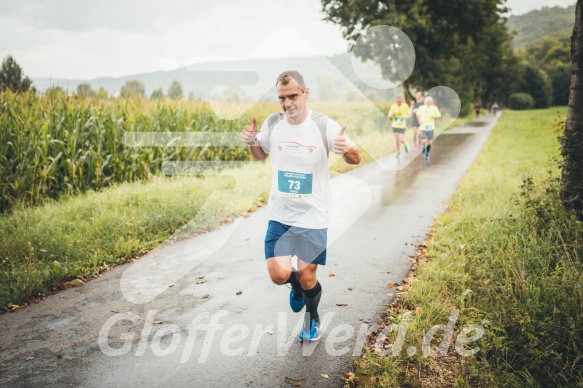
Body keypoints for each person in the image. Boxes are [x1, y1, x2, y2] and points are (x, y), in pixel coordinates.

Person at [240, 70, 361, 342]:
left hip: (312, 217)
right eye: (282, 98)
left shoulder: (324, 125)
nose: (287, 103)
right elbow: (261, 154)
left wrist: (344, 150)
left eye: (293, 95)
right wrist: (251, 142)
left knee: (308, 276)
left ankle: (312, 318)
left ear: (306, 93)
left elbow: (356, 158)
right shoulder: (274, 123)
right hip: (280, 215)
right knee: (278, 275)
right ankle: (293, 285)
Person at [416, 96, 441, 161]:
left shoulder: (434, 108)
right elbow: (417, 114)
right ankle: (423, 147)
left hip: (431, 127)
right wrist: (419, 120)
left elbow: (438, 116)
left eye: (429, 102)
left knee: (429, 142)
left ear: (431, 102)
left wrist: (434, 116)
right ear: (425, 102)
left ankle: (427, 153)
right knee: (423, 140)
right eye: (427, 102)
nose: (428, 103)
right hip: (423, 127)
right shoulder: (421, 108)